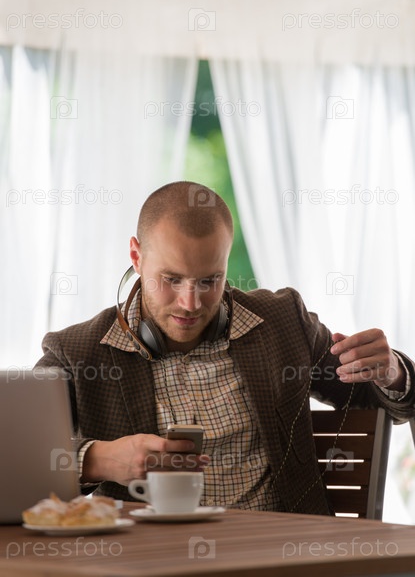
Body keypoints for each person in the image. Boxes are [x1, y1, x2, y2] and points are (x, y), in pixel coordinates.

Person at [36, 181, 415, 515]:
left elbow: (373, 400)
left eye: (209, 280)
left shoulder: (282, 321)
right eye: (171, 279)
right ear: (137, 257)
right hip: (147, 559)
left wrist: (392, 372)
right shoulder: (77, 352)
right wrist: (97, 461)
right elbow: (18, 455)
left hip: (285, 554)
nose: (190, 303)